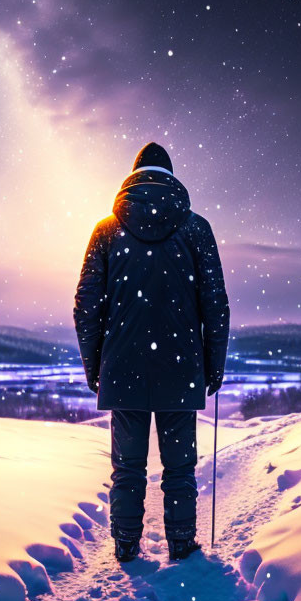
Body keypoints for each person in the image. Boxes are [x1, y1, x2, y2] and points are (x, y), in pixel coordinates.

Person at [73, 141, 230, 563]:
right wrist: (213, 366)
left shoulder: (106, 231)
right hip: (180, 367)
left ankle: (126, 545)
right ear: (171, 177)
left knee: (127, 467)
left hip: (122, 368)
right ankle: (181, 543)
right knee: (180, 468)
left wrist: (96, 367)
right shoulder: (197, 229)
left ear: (135, 177)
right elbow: (215, 303)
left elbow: (86, 304)